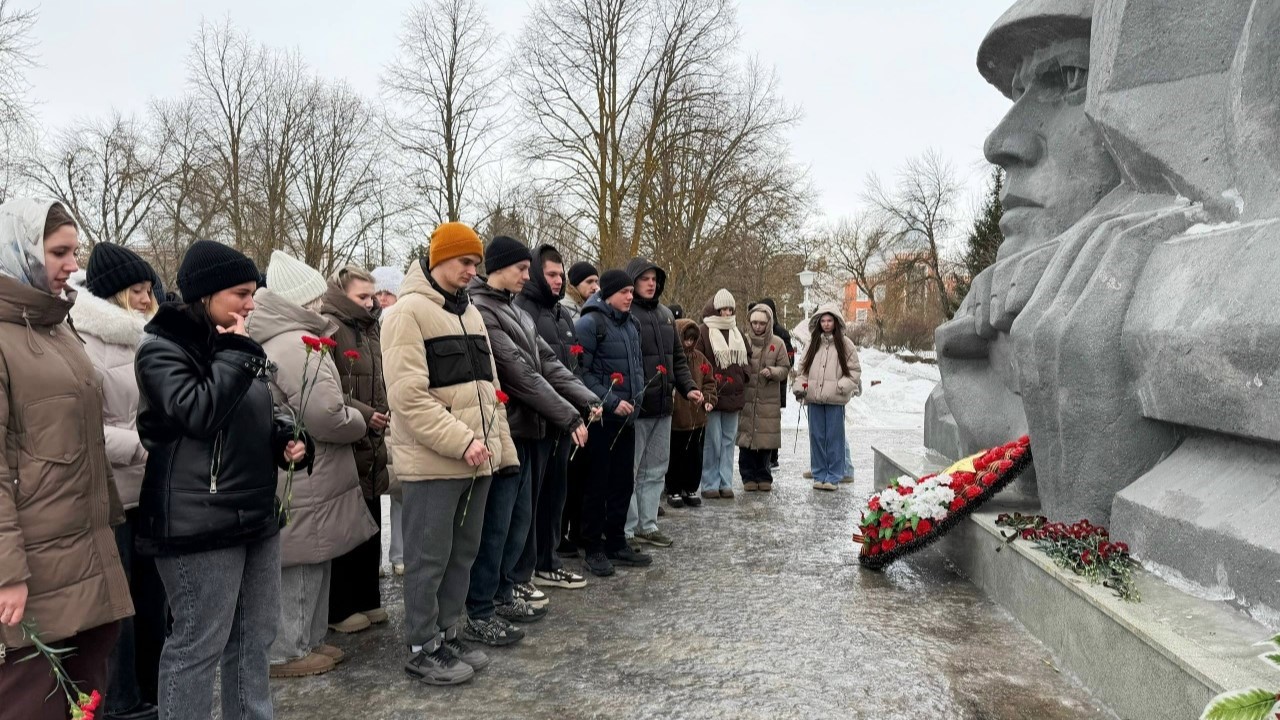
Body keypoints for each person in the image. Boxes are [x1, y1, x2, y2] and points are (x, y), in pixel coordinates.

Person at [134, 239, 309, 720]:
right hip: (197, 522)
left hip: (254, 512)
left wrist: (286, 439)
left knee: (255, 637)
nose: (251, 303)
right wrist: (236, 350)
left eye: (253, 292)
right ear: (206, 294)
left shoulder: (235, 345)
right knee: (198, 645)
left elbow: (252, 414)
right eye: (240, 293)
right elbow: (198, 414)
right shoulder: (160, 349)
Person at [0, 199, 134, 720]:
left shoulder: (58, 327)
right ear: (16, 251)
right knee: (31, 702)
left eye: (74, 251)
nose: (73, 264)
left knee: (85, 700)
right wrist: (7, 572)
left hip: (86, 555)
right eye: (59, 252)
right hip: (32, 573)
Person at [381, 222, 518, 686]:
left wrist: (500, 449)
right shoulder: (406, 314)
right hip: (434, 462)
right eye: (465, 261)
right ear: (438, 258)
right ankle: (422, 645)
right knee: (428, 556)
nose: (472, 270)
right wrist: (462, 440)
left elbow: (490, 391)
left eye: (476, 262)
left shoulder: (471, 314)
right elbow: (408, 398)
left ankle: (445, 632)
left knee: (462, 553)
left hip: (477, 462)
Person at [249, 252, 376, 679]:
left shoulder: (286, 338)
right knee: (302, 560)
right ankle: (288, 650)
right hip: (307, 475)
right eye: (316, 298)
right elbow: (326, 413)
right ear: (301, 301)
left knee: (314, 558)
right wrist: (359, 420)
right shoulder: (295, 344)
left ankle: (308, 639)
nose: (323, 305)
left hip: (310, 472)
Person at [465, 237, 597, 646]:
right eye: (522, 269)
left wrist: (586, 396)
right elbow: (520, 374)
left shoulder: (510, 309)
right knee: (498, 524)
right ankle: (481, 606)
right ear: (500, 267)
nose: (529, 275)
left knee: (517, 522)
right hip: (509, 429)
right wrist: (568, 414)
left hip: (529, 429)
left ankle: (503, 591)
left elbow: (550, 364)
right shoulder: (484, 309)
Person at [69, 243, 165, 720]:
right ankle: (122, 700)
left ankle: (151, 689)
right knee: (119, 605)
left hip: (150, 488)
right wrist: (143, 444)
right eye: (137, 290)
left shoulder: (146, 338)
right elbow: (82, 425)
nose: (147, 298)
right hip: (111, 491)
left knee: (152, 599)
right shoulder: (83, 339)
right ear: (112, 293)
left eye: (149, 289)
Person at [513, 246, 594, 591]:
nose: (559, 280)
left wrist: (583, 400)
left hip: (563, 420)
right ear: (534, 273)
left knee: (555, 498)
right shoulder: (522, 312)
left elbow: (565, 368)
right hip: (536, 421)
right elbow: (530, 374)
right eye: (551, 274)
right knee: (530, 504)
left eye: (561, 275)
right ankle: (523, 571)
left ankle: (549, 562)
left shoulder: (562, 316)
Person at [322, 266, 391, 634]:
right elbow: (328, 388)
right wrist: (366, 414)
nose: (371, 302)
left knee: (371, 521)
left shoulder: (371, 328)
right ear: (341, 294)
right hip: (350, 436)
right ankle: (341, 607)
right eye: (362, 297)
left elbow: (378, 377)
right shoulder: (330, 327)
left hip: (373, 438)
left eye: (372, 295)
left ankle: (368, 598)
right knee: (348, 523)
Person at [574, 270, 650, 577]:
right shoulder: (590, 324)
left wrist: (637, 398)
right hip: (602, 419)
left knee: (623, 482)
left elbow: (636, 366)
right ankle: (593, 546)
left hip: (628, 419)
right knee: (597, 484)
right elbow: (580, 374)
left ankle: (616, 542)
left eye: (632, 291)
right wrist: (610, 402)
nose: (630, 296)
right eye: (624, 292)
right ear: (608, 294)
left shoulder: (631, 324)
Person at [622, 258, 700, 548]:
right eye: (644, 278)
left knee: (656, 469)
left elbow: (678, 360)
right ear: (633, 281)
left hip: (663, 407)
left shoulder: (667, 315)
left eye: (654, 278)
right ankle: (628, 529)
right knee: (631, 470)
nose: (651, 283)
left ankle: (648, 524)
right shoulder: (626, 313)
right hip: (637, 408)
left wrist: (689, 387)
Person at [556, 260, 599, 557]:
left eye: (597, 282)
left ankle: (573, 530)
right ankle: (560, 535)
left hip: (580, 400)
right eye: (589, 283)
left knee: (579, 473)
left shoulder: (582, 311)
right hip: (565, 403)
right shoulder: (569, 313)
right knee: (566, 475)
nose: (594, 288)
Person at [795, 305, 861, 491]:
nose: (826, 324)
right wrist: (801, 387)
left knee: (834, 438)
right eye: (823, 321)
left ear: (836, 322)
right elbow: (803, 370)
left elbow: (854, 371)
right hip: (814, 398)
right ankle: (819, 473)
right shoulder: (812, 343)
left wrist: (841, 387)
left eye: (829, 321)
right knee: (816, 437)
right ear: (818, 323)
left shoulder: (846, 344)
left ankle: (833, 476)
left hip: (835, 399)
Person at [371, 265, 408, 577]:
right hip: (376, 415)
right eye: (377, 292)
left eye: (388, 292)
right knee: (373, 489)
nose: (382, 298)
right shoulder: (368, 326)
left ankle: (400, 553)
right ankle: (378, 558)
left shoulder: (402, 323)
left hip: (397, 415)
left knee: (401, 490)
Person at [696, 289, 749, 499]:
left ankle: (726, 482)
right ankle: (709, 482)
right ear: (714, 309)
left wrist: (743, 377)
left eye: (729, 309)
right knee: (712, 441)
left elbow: (747, 358)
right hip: (713, 395)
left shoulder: (738, 332)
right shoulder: (704, 331)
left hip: (733, 395)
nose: (727, 313)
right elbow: (698, 360)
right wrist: (706, 386)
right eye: (723, 309)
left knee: (728, 441)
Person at [736, 303, 790, 492]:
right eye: (755, 323)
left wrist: (773, 371)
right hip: (748, 398)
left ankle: (764, 474)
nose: (758, 327)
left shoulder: (778, 343)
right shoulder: (743, 341)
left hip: (768, 399)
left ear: (769, 323)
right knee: (746, 439)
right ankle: (748, 475)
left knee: (765, 440)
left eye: (762, 323)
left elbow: (785, 368)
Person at [666, 319, 718, 507]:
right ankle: (673, 489)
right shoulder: (672, 358)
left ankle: (690, 487)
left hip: (697, 418)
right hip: (677, 419)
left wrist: (709, 399)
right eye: (685, 339)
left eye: (692, 340)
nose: (688, 343)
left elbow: (710, 382)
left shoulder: (700, 359)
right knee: (676, 456)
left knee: (694, 457)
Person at [755, 298, 793, 469]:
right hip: (757, 383)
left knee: (771, 421)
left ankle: (773, 456)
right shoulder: (755, 333)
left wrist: (774, 371)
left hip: (775, 383)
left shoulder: (781, 334)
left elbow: (788, 360)